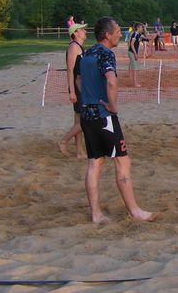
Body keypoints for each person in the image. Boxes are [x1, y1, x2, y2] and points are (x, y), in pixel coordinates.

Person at [78, 17, 157, 224]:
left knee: (94, 163)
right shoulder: (106, 54)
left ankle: (96, 214)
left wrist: (88, 97)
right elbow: (112, 81)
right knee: (122, 161)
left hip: (87, 116)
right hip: (104, 116)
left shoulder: (87, 53)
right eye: (117, 31)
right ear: (107, 35)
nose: (120, 34)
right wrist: (112, 106)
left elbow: (78, 80)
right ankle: (134, 211)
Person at [58, 22, 88, 159]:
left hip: (81, 86)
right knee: (85, 120)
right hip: (77, 87)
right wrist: (72, 91)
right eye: (82, 29)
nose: (85, 31)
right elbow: (70, 70)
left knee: (78, 121)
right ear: (75, 33)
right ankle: (63, 141)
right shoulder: (73, 47)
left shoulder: (79, 47)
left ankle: (80, 151)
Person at [127, 23, 142, 87]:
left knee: (136, 68)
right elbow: (131, 44)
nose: (142, 28)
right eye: (141, 27)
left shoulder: (138, 34)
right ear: (138, 28)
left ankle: (136, 82)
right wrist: (135, 53)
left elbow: (145, 37)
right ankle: (135, 83)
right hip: (132, 52)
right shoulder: (135, 34)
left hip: (133, 52)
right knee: (135, 68)